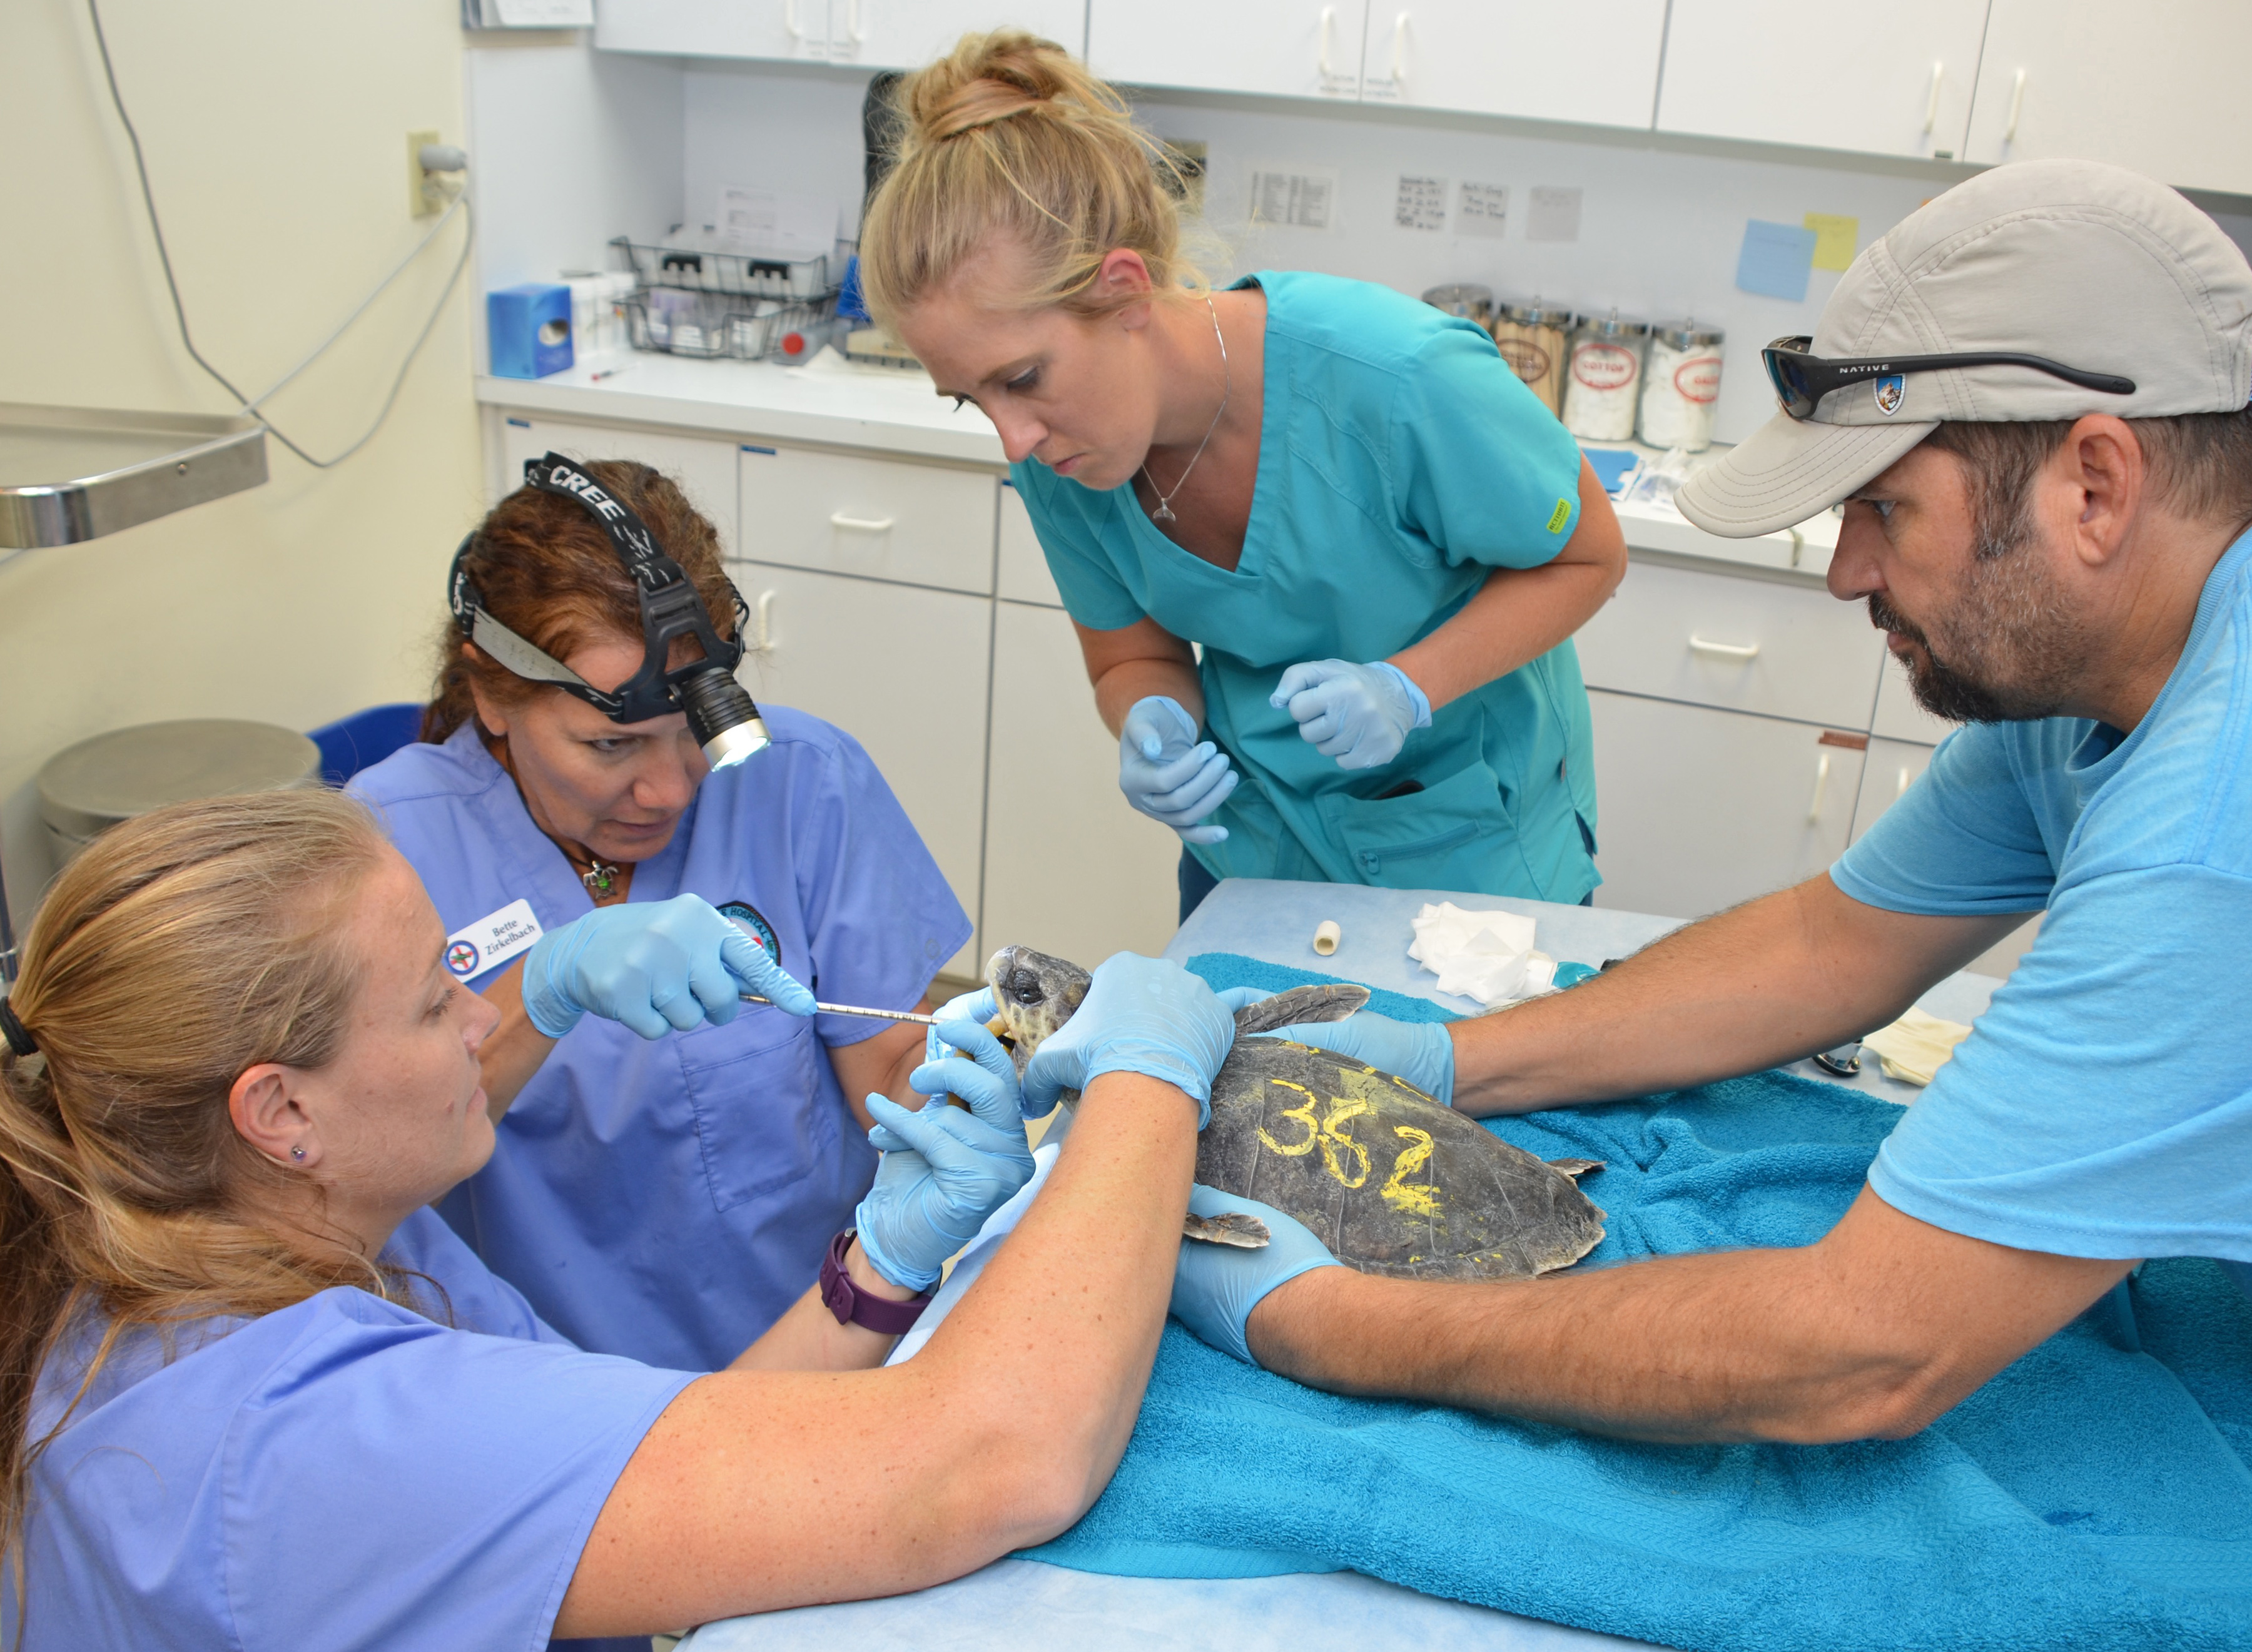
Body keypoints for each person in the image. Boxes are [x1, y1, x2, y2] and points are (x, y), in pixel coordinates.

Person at [1164, 160, 2252, 1442]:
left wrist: (1327, 1322)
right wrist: (1448, 1059)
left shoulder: (2210, 829)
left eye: (1885, 509)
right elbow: (1831, 943)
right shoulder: (2094, 678)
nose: (1847, 572)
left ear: (2097, 487)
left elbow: (1864, 1351)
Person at [0, 789, 1238, 1647]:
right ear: (279, 1111)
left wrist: (884, 1258)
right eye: (438, 1000)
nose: (490, 1020)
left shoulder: (282, 1227)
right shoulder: (292, 1437)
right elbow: (986, 1464)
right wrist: (1147, 1080)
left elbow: (653, 1475)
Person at [860, 31, 1628, 923]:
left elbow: (1588, 558)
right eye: (970, 399)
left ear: (1124, 290)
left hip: (1470, 857)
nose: (1013, 440)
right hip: (1253, 858)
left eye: (1023, 377)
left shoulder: (1398, 379)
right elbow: (1132, 654)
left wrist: (1408, 685)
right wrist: (1150, 721)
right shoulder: (1063, 457)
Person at [348, 456, 966, 1373]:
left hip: (834, 1335)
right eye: (611, 744)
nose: (671, 787)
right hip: (549, 1395)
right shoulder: (385, 851)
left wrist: (974, 1094)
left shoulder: (798, 779)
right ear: (491, 693)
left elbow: (887, 1060)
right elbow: (364, 1172)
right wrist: (546, 988)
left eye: (697, 730)